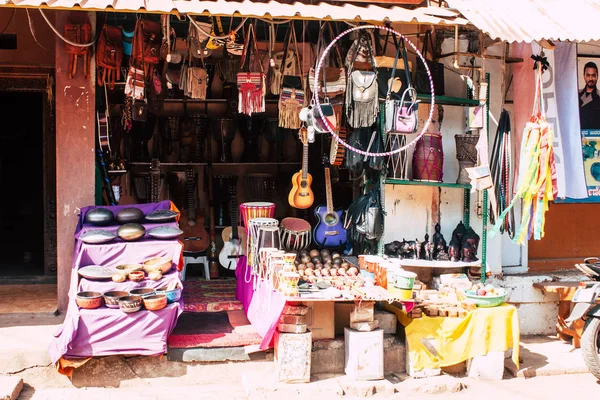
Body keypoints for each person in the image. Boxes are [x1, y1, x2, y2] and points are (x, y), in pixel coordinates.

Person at [579, 61, 600, 130]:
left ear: (597, 76)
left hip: (595, 138)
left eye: (593, 75)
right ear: (584, 76)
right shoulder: (575, 95)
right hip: (578, 137)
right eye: (588, 75)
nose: (590, 79)